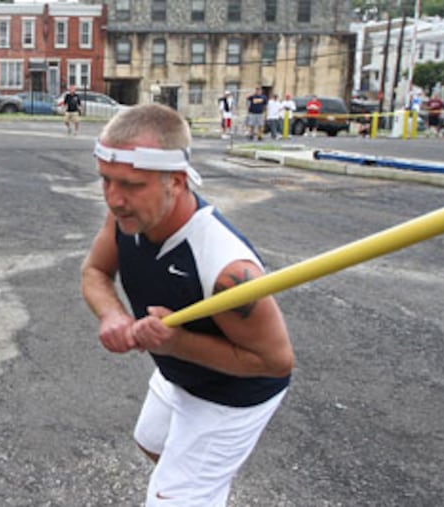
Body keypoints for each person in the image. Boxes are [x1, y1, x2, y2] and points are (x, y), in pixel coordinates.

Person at [81, 104, 294, 506]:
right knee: (152, 441)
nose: (114, 199)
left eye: (129, 185)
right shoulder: (128, 219)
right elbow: (94, 271)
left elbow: (275, 362)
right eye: (105, 180)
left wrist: (174, 344)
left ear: (176, 182)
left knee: (172, 497)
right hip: (180, 373)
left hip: (231, 395)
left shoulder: (230, 271)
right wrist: (113, 314)